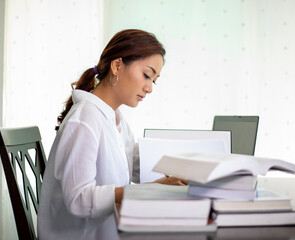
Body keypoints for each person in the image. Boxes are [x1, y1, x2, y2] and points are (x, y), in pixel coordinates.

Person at [37, 29, 187, 240]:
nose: (150, 88)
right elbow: (79, 200)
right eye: (146, 75)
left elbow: (135, 166)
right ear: (117, 66)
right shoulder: (85, 120)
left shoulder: (114, 117)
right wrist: (148, 190)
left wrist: (188, 169)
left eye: (154, 80)